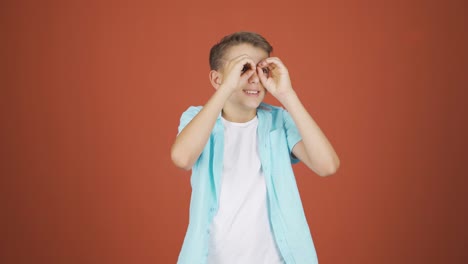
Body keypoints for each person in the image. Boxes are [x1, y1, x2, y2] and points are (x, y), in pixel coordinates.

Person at [171, 31, 340, 264]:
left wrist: (287, 94)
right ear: (217, 79)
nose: (254, 79)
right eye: (242, 70)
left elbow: (327, 166)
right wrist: (226, 89)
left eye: (262, 70)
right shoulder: (197, 119)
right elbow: (182, 158)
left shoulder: (278, 121)